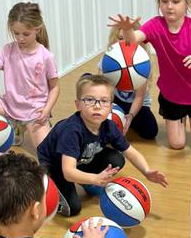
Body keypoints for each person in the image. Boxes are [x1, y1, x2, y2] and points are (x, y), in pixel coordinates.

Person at [109, 0, 191, 151]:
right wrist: (127, 30)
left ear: (187, 3)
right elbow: (132, 40)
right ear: (159, 3)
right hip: (171, 94)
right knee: (177, 144)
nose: (169, 6)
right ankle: (186, 120)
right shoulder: (155, 25)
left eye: (175, 1)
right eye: (164, 1)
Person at [35, 75, 168, 217]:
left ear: (111, 106)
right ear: (78, 104)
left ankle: (84, 178)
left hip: (79, 159)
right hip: (55, 165)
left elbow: (130, 152)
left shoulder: (108, 126)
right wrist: (95, 179)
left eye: (104, 101)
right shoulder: (71, 131)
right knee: (72, 209)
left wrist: (147, 171)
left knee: (117, 159)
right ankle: (46, 183)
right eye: (89, 100)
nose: (97, 105)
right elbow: (68, 172)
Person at [0, 2, 60, 154]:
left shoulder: (46, 56)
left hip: (34, 112)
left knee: (46, 153)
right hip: (8, 106)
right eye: (16, 33)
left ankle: (24, 125)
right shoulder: (7, 50)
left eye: (26, 34)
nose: (20, 38)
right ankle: (10, 126)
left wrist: (47, 110)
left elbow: (55, 87)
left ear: (37, 29)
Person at [101, 25, 158, 140]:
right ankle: (118, 117)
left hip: (137, 104)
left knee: (151, 131)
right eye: (121, 38)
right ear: (114, 40)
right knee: (88, 80)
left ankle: (126, 119)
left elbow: (139, 97)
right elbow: (102, 88)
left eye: (130, 38)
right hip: (115, 99)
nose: (126, 42)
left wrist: (131, 116)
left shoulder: (141, 62)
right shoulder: (109, 60)